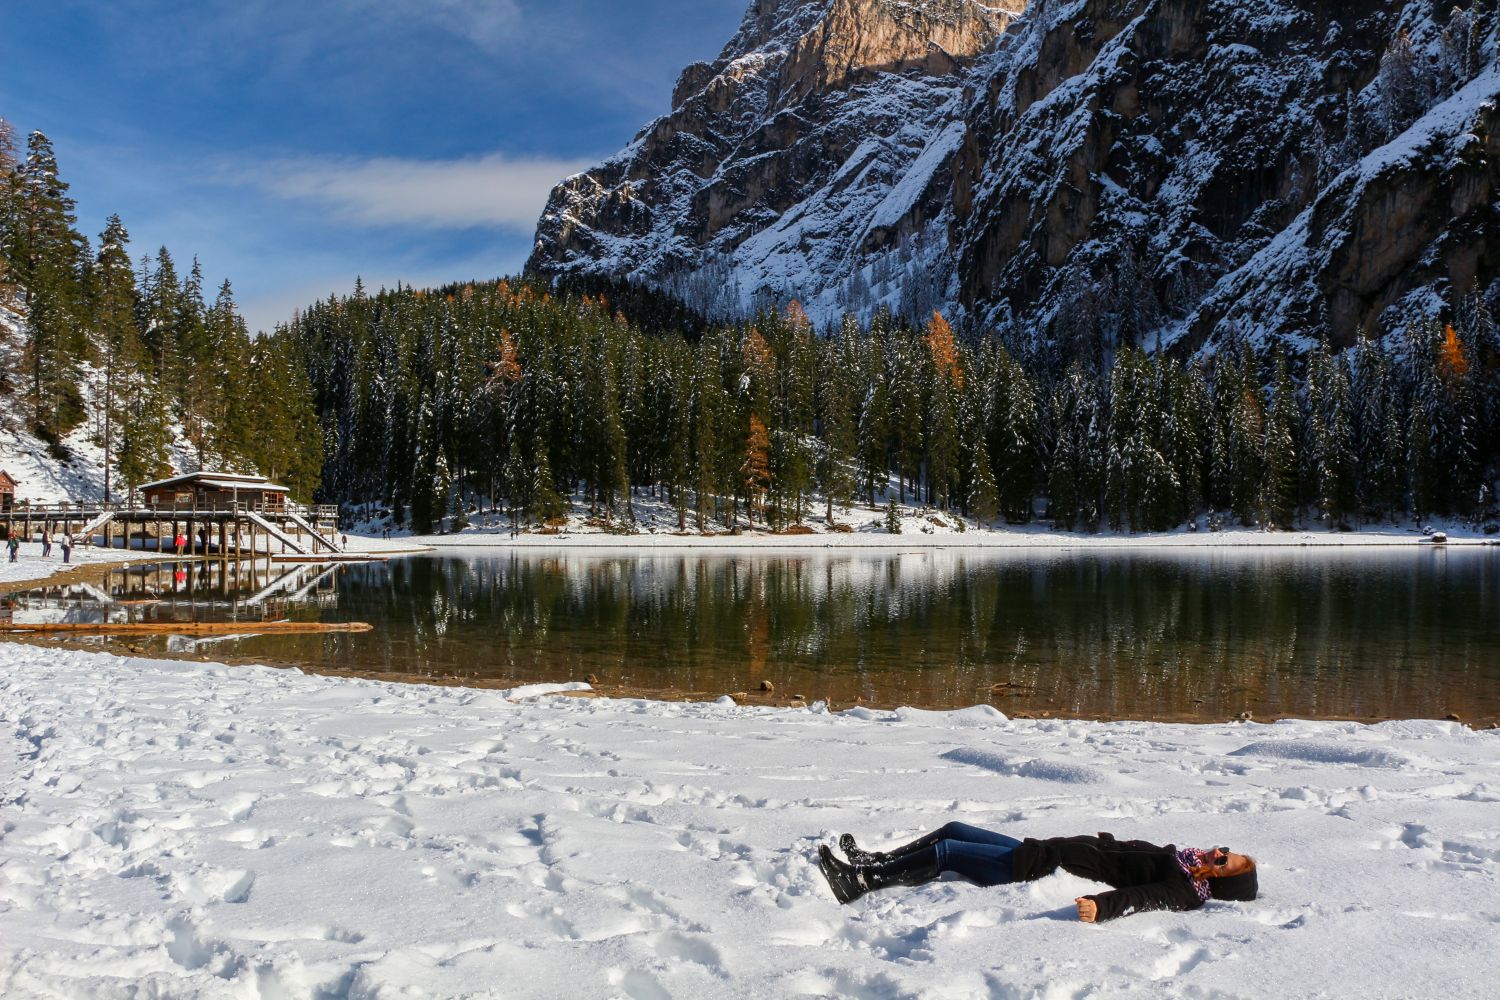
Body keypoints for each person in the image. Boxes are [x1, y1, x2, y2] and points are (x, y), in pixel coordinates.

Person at [818, 824, 1258, 922]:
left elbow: (1140, 899)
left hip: (1038, 867)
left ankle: (859, 883)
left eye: (1225, 861)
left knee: (950, 851)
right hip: (1044, 849)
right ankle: (875, 861)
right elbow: (1124, 857)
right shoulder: (1179, 859)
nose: (1218, 851)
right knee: (953, 829)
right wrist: (1106, 842)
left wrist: (1099, 908)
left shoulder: (1182, 889)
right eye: (1226, 849)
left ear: (1219, 880)